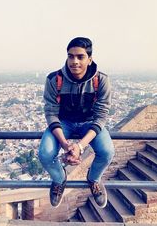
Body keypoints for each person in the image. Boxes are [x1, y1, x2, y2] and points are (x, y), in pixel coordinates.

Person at [38, 37, 115, 208]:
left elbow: (101, 116)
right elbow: (51, 113)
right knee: (45, 153)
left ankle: (94, 179)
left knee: (107, 152)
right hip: (63, 123)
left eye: (80, 57)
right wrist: (66, 145)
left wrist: (79, 147)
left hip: (90, 124)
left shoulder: (100, 80)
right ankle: (59, 179)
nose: (74, 61)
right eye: (70, 56)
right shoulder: (54, 79)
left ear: (90, 59)